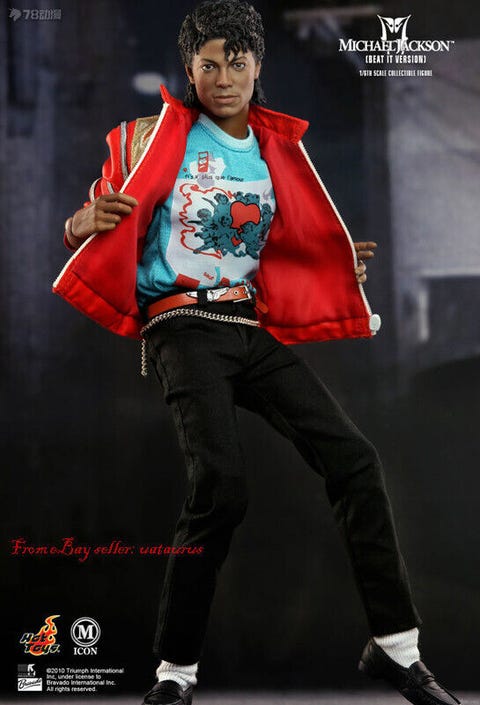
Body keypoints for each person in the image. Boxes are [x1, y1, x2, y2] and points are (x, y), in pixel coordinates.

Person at [53, 2, 461, 704]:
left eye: (236, 63)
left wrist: (332, 265)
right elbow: (95, 216)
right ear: (190, 70)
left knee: (355, 461)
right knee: (222, 486)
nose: (223, 78)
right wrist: (79, 222)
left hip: (247, 326)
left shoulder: (277, 148)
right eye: (208, 64)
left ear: (256, 66)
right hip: (183, 324)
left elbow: (276, 246)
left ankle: (396, 646)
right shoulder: (151, 137)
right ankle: (175, 671)